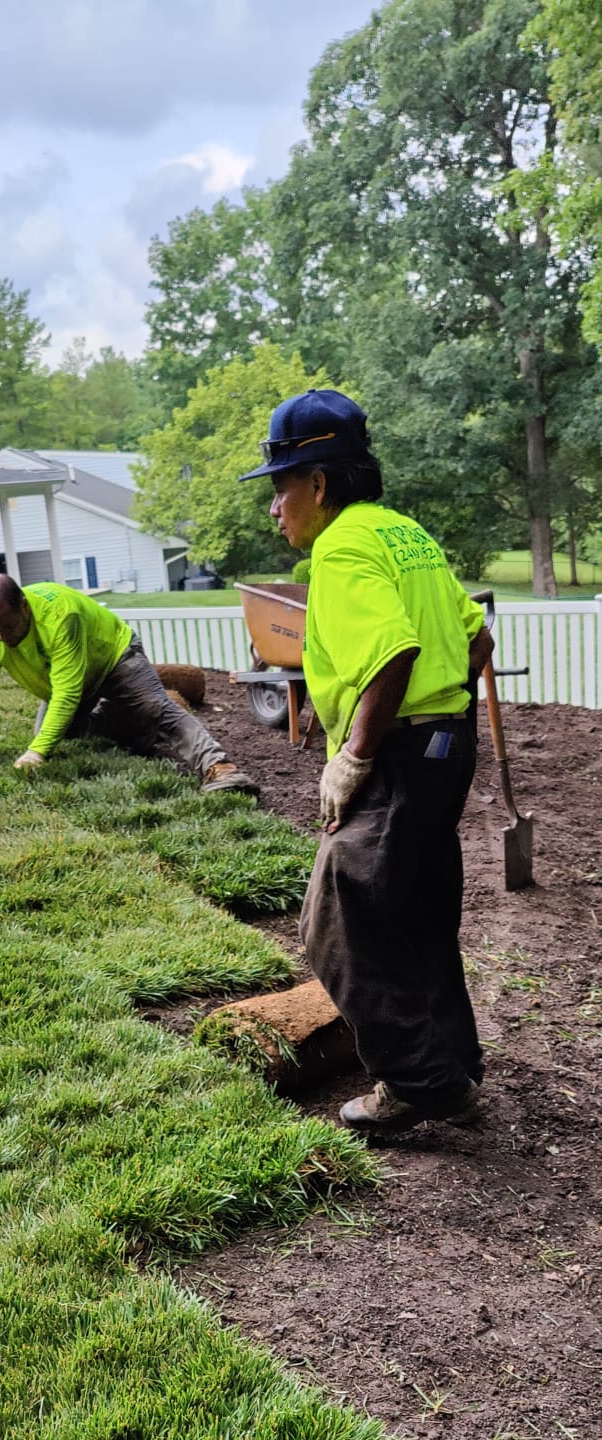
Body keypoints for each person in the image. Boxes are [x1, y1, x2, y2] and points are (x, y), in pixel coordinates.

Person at [241, 387, 492, 1137]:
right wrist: (444, 713)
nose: (275, 508)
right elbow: (477, 638)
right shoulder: (404, 533)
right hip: (444, 747)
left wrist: (356, 754)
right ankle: (454, 1063)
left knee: (336, 921)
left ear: (318, 483)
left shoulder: (343, 546)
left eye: (281, 488)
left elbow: (393, 653)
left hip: (399, 755)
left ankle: (419, 1083)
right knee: (417, 910)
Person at [0, 574, 257, 794]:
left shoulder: (61, 615)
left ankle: (219, 768)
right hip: (69, 678)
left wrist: (36, 753)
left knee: (154, 706)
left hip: (114, 656)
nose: (1, 636)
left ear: (24, 606)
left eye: (8, 626)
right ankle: (137, 724)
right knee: (59, 734)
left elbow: (67, 693)